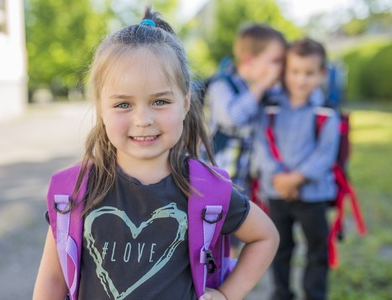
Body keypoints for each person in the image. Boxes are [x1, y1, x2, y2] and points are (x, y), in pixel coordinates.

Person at [33, 7, 279, 300]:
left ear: (186, 102)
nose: (143, 119)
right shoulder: (74, 192)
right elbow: (51, 278)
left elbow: (265, 236)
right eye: (123, 104)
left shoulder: (209, 193)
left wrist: (227, 294)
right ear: (101, 108)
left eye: (160, 101)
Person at [253, 38, 340, 300]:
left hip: (313, 196)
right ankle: (281, 294)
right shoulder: (271, 108)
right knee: (280, 248)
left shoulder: (326, 112)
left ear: (322, 74)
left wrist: (297, 178)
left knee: (317, 251)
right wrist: (279, 177)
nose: (301, 80)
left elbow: (325, 155)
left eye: (309, 73)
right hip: (276, 192)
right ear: (285, 72)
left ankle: (314, 294)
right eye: (295, 72)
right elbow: (262, 143)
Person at [207, 24, 286, 192]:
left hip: (246, 187)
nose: (279, 69)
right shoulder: (222, 85)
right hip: (215, 183)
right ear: (249, 59)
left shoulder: (264, 91)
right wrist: (262, 85)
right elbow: (233, 118)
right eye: (275, 61)